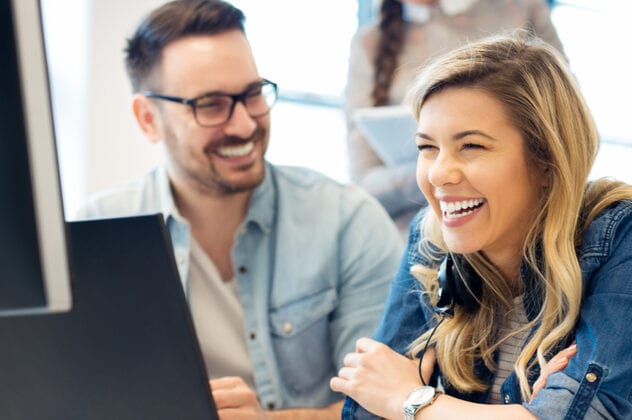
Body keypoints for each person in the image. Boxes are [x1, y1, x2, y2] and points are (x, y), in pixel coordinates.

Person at [76, 0, 403, 418]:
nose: (246, 125)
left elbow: (386, 409)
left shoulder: (349, 223)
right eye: (211, 105)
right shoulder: (93, 236)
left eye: (252, 94)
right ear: (147, 119)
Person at [331, 32, 632, 419]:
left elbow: (391, 397)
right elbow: (366, 405)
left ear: (547, 160)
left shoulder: (619, 235)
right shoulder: (431, 240)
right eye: (427, 147)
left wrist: (411, 402)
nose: (439, 173)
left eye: (471, 146)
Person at [344, 0, 565, 234]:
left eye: (472, 144)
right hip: (415, 237)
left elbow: (563, 128)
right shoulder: (370, 43)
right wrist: (441, 165)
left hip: (525, 228)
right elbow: (363, 182)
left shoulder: (520, 9)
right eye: (425, 145)